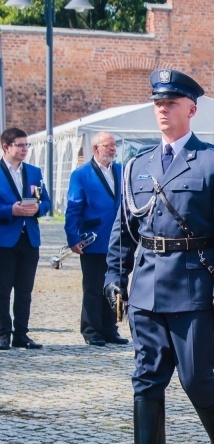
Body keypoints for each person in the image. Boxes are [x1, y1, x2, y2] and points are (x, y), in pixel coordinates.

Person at [103, 69, 214, 444]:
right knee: (146, 381)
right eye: (158, 103)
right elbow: (125, 226)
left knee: (195, 378)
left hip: (191, 286)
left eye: (172, 103)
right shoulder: (137, 164)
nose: (163, 109)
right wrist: (115, 274)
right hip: (146, 286)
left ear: (191, 109)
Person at [64, 131, 127, 347]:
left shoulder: (121, 170)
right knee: (93, 287)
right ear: (95, 148)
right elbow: (73, 207)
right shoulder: (81, 174)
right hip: (93, 238)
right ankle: (91, 331)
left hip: (118, 239)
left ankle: (111, 329)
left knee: (116, 285)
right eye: (107, 145)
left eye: (114, 145)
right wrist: (72, 237)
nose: (112, 149)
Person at [0, 128, 51, 351]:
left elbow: (46, 202)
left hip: (29, 239)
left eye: (26, 145)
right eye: (19, 145)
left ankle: (21, 333)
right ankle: (3, 333)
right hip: (4, 240)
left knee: (24, 290)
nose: (24, 149)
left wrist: (39, 208)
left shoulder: (34, 172)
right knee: (2, 290)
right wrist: (10, 210)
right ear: (5, 146)